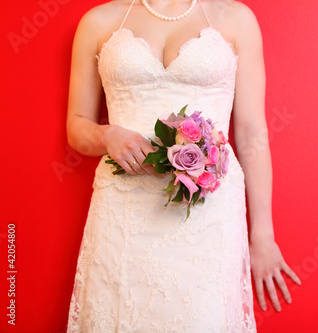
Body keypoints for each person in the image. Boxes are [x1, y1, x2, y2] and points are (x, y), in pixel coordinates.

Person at [65, 0, 301, 331]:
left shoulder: (236, 18)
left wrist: (263, 236)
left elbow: (251, 135)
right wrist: (106, 135)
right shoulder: (99, 21)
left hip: (208, 214)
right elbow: (76, 126)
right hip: (124, 212)